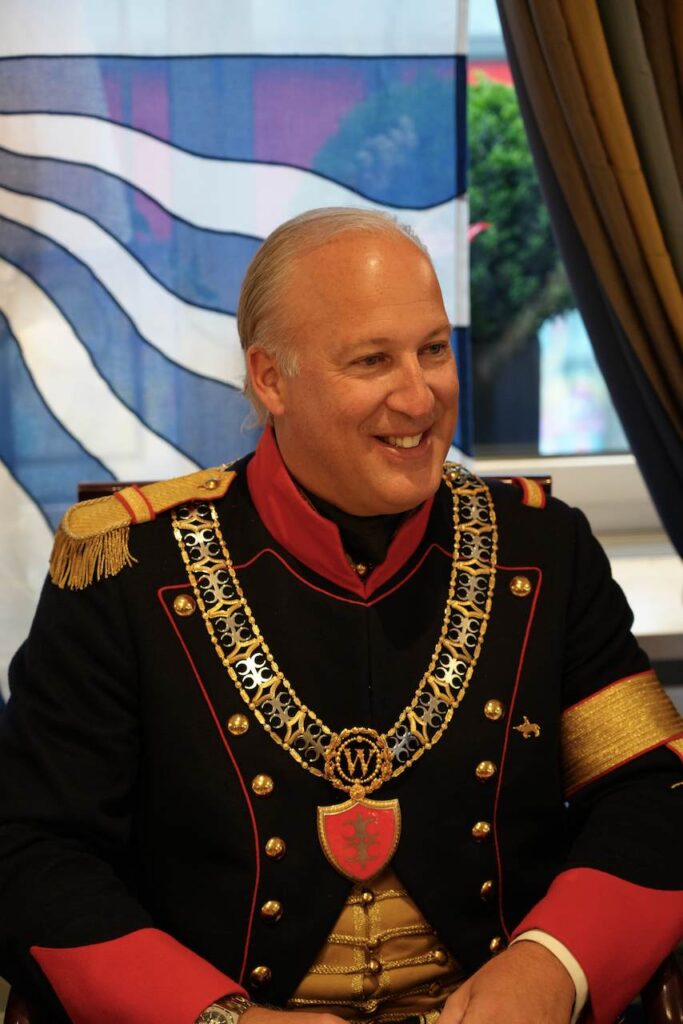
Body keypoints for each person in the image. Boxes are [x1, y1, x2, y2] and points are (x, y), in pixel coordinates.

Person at [0, 208, 681, 1024]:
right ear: (270, 379)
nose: (419, 395)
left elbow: (655, 793)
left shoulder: (541, 550)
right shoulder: (126, 570)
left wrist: (552, 966)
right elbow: (32, 849)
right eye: (372, 360)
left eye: (433, 350)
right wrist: (220, 1019)